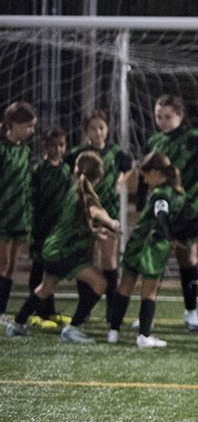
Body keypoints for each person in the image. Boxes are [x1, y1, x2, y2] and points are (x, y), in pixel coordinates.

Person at [5, 150, 121, 344]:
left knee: (45, 289)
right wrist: (112, 222)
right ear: (98, 177)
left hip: (53, 248)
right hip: (64, 252)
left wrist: (95, 232)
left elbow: (78, 222)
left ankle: (16, 324)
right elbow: (96, 212)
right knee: (100, 283)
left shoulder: (75, 189)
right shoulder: (86, 196)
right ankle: (73, 328)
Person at [145, 94, 198, 331]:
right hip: (161, 209)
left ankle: (191, 312)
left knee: (187, 258)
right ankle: (146, 314)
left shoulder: (193, 139)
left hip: (188, 208)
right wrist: (142, 204)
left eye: (168, 117)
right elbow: (146, 175)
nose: (162, 121)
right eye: (158, 117)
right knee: (155, 259)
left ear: (180, 116)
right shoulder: (154, 141)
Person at [104, 152, 182, 348]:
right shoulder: (164, 193)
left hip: (136, 243)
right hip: (152, 248)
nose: (144, 180)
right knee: (149, 292)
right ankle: (144, 336)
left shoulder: (158, 192)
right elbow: (162, 214)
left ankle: (113, 331)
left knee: (125, 287)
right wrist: (170, 237)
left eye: (145, 175)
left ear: (156, 173)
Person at [69, 108, 135, 312]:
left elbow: (130, 166)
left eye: (101, 128)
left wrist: (121, 181)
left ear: (107, 129)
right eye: (93, 129)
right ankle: (85, 307)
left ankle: (112, 310)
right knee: (86, 260)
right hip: (85, 214)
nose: (98, 132)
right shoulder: (79, 154)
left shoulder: (115, 152)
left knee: (109, 259)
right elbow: (67, 170)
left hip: (110, 212)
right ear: (86, 131)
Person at [25, 128, 72, 329]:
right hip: (41, 227)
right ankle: (36, 312)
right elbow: (32, 199)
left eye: (61, 145)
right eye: (54, 145)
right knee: (39, 268)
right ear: (45, 146)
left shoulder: (65, 169)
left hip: (58, 229)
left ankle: (49, 311)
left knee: (51, 270)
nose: (58, 149)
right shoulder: (39, 170)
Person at [0, 100, 39, 326]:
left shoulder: (24, 150)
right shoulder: (2, 149)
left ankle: (2, 311)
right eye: (28, 126)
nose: (31, 131)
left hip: (20, 216)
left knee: (12, 266)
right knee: (2, 263)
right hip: (3, 214)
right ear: (13, 123)